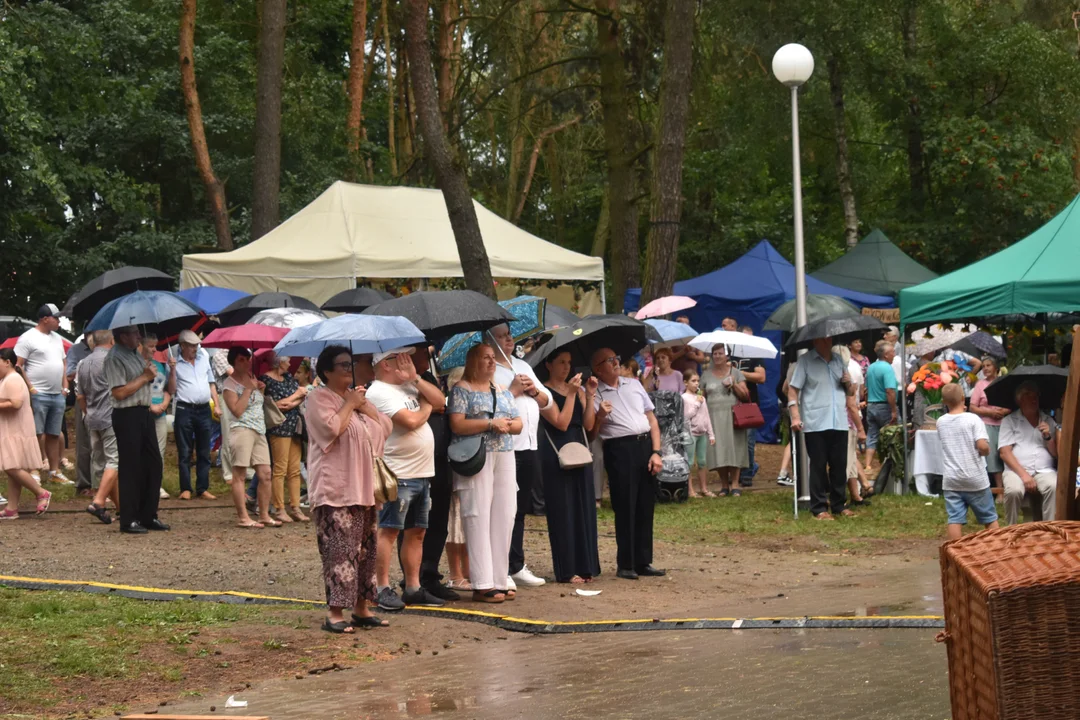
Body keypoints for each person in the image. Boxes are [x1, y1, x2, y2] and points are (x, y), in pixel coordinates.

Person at [305, 345, 393, 632]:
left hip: (364, 488)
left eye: (350, 365)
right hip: (335, 489)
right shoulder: (318, 398)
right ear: (327, 371)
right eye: (343, 365)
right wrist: (349, 405)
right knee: (340, 552)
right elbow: (330, 429)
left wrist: (360, 403)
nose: (348, 369)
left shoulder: (355, 397)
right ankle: (334, 614)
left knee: (364, 551)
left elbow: (385, 427)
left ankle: (362, 608)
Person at [366, 347, 447, 610]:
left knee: (417, 532)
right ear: (386, 363)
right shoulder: (378, 391)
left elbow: (441, 401)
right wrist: (426, 407)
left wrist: (416, 380)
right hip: (398, 473)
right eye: (402, 358)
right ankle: (381, 587)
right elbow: (411, 421)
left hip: (422, 472)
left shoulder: (408, 386)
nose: (409, 361)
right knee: (389, 530)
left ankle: (413, 587)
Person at [448, 344, 522, 603]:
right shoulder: (461, 389)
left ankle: (500, 578)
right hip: (476, 455)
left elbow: (518, 423)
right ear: (472, 362)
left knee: (505, 513)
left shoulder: (502, 390)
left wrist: (507, 425)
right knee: (477, 514)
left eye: (493, 358)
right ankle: (482, 582)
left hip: (504, 453)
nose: (491, 362)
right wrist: (490, 423)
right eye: (485, 358)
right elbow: (456, 423)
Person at [591, 347, 665, 580]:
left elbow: (652, 420)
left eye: (616, 358)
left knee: (645, 504)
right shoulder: (595, 393)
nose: (615, 362)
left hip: (644, 446)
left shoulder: (633, 384)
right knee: (625, 506)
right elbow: (591, 432)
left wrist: (656, 452)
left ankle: (644, 560)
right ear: (597, 369)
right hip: (620, 449)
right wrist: (600, 416)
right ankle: (626, 563)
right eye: (608, 360)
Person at [488, 323, 550, 589]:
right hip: (506, 447)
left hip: (530, 444)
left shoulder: (523, 366)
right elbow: (490, 408)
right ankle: (500, 565)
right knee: (504, 508)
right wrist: (513, 391)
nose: (509, 339)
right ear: (490, 340)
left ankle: (516, 564)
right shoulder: (491, 370)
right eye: (501, 336)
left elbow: (547, 401)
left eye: (509, 334)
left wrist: (533, 391)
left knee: (521, 509)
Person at [538, 349, 601, 583]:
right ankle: (567, 569)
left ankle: (586, 565)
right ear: (549, 364)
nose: (566, 367)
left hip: (580, 448)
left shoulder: (579, 390)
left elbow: (587, 424)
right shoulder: (543, 392)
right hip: (557, 451)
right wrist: (572, 395)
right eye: (561, 362)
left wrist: (590, 395)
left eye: (569, 362)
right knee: (563, 509)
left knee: (584, 506)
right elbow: (561, 423)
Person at [106, 326, 167, 534]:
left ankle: (148, 514)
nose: (139, 336)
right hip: (127, 414)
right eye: (135, 333)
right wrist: (144, 377)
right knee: (130, 467)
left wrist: (147, 372)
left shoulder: (135, 354)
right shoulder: (114, 358)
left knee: (153, 463)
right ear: (123, 336)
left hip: (144, 412)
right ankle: (129, 518)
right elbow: (119, 393)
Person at [788, 335, 857, 521]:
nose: (828, 342)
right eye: (823, 339)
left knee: (839, 465)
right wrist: (795, 415)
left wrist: (849, 382)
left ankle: (839, 505)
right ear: (815, 341)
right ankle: (818, 507)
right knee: (818, 465)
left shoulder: (839, 360)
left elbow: (850, 391)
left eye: (830, 339)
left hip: (839, 420)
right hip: (816, 420)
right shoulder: (806, 361)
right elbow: (793, 389)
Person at [413, 346, 461, 602]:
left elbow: (440, 402)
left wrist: (431, 402)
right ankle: (414, 579)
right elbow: (433, 406)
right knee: (416, 524)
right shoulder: (399, 383)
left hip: (441, 459)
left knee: (439, 522)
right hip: (417, 462)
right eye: (422, 351)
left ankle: (431, 575)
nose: (427, 354)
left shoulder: (427, 377)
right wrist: (430, 407)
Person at [14, 303, 70, 484]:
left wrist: (65, 387)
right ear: (45, 319)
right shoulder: (27, 338)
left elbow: (63, 364)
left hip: (57, 394)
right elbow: (18, 365)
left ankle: (54, 471)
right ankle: (34, 470)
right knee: (36, 433)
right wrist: (30, 388)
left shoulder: (56, 338)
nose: (59, 321)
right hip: (38, 393)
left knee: (54, 433)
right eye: (56, 318)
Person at [222, 347, 276, 528]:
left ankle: (264, 514)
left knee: (266, 473)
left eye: (247, 358)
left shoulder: (253, 378)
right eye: (242, 359)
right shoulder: (229, 384)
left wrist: (259, 389)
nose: (246, 362)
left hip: (259, 430)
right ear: (234, 362)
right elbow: (236, 410)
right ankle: (243, 517)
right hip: (242, 429)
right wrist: (247, 390)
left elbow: (257, 404)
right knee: (240, 474)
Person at [938, 383, 999, 540]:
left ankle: (955, 555)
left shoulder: (941, 422)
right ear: (963, 398)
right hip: (975, 478)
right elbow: (981, 446)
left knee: (954, 519)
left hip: (952, 479)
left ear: (944, 402)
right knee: (989, 518)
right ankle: (996, 548)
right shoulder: (973, 419)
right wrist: (986, 450)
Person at [0, 348, 52, 519]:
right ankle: (12, 508)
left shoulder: (13, 379)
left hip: (15, 429)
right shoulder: (7, 379)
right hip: (11, 429)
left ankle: (41, 492)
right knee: (13, 468)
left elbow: (15, 403)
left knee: (11, 466)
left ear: (7, 362)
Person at [168, 330, 219, 501]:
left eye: (196, 345)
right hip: (185, 409)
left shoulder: (203, 357)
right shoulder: (175, 362)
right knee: (185, 450)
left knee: (204, 449)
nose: (195, 348)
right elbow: (172, 389)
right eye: (191, 345)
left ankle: (202, 487)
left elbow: (211, 383)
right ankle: (185, 488)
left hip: (204, 408)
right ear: (182, 346)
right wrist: (173, 371)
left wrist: (217, 405)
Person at [998, 381, 1058, 525]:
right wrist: (1024, 475)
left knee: (1054, 486)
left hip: (1044, 470)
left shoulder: (1048, 420)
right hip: (1016, 470)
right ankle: (1010, 531)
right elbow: (1005, 453)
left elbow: (1056, 454)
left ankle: (1050, 530)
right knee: (1013, 491)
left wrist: (1048, 437)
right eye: (1028, 396)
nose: (1034, 399)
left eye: (1036, 396)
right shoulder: (1010, 421)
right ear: (1019, 400)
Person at [77, 330, 121, 524]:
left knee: (102, 464)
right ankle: (99, 501)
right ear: (112, 340)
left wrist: (87, 413)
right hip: (111, 415)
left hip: (92, 416)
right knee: (114, 461)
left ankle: (121, 508)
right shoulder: (112, 360)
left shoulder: (83, 362)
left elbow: (80, 396)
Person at [260, 352, 309, 523]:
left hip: (295, 427)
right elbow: (276, 406)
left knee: (295, 469)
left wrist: (291, 402)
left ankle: (295, 507)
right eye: (287, 359)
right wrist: (295, 397)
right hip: (278, 428)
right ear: (279, 362)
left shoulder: (289, 377)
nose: (290, 362)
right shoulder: (266, 380)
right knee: (280, 468)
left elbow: (297, 398)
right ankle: (279, 508)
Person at [701, 344, 749, 496]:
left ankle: (735, 484)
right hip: (713, 417)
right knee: (718, 450)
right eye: (714, 353)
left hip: (733, 416)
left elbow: (745, 395)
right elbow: (701, 396)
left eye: (720, 353)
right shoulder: (706, 374)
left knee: (734, 448)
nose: (717, 356)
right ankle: (724, 485)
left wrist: (733, 384)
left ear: (727, 356)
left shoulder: (736, 373)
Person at [968, 357, 1009, 489]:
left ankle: (1008, 487)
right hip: (986, 424)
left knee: (1005, 454)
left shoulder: (1003, 383)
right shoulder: (980, 384)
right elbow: (972, 407)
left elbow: (1012, 403)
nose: (985, 368)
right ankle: (998, 489)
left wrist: (1003, 411)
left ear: (996, 367)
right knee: (991, 457)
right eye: (983, 366)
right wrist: (989, 413)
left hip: (1005, 424)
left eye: (988, 365)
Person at [734, 326, 765, 487]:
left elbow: (761, 377)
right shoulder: (728, 354)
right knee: (732, 440)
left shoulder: (755, 355)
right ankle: (734, 473)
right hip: (729, 403)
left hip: (748, 405)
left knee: (748, 441)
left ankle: (747, 473)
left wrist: (739, 373)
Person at [142, 334, 172, 500]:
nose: (154, 349)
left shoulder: (160, 365)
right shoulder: (138, 365)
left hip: (160, 411)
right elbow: (136, 390)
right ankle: (143, 485)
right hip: (144, 412)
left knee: (159, 451)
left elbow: (168, 388)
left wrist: (165, 403)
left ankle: (156, 485)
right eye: (151, 346)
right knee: (144, 450)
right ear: (142, 345)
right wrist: (150, 405)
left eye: (156, 346)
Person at [863, 340, 898, 472]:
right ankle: (891, 466)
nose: (894, 354)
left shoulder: (871, 367)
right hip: (884, 406)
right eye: (892, 352)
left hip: (871, 405)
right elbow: (889, 390)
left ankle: (868, 465)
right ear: (886, 355)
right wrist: (894, 410)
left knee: (872, 435)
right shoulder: (887, 368)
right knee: (891, 436)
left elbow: (865, 389)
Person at [68, 333, 95, 496]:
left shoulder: (108, 350)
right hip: (83, 397)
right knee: (84, 442)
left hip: (102, 400)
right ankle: (84, 484)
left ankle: (99, 482)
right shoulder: (76, 350)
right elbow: (69, 373)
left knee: (100, 443)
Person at [681, 370, 715, 497]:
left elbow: (706, 417)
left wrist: (711, 434)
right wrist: (697, 404)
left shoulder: (701, 398)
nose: (696, 384)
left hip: (702, 433)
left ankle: (704, 488)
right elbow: (686, 416)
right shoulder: (684, 398)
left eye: (697, 381)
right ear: (685, 382)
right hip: (690, 433)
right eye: (693, 381)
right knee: (689, 462)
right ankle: (690, 490)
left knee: (702, 461)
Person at [209, 348, 236, 482]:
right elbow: (233, 374)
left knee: (243, 434)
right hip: (225, 395)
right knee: (228, 435)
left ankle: (246, 469)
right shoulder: (219, 355)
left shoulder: (245, 352)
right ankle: (229, 472)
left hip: (241, 395)